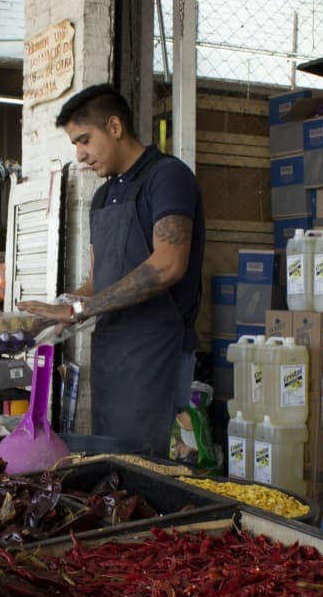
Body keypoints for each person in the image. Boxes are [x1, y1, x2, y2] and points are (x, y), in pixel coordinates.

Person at [19, 84, 206, 455]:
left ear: (116, 127)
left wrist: (80, 310)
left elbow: (168, 265)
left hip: (157, 353)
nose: (80, 154)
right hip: (111, 354)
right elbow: (98, 278)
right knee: (115, 465)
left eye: (84, 140)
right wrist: (60, 310)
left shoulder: (166, 176)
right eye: (75, 143)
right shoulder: (103, 196)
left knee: (150, 467)